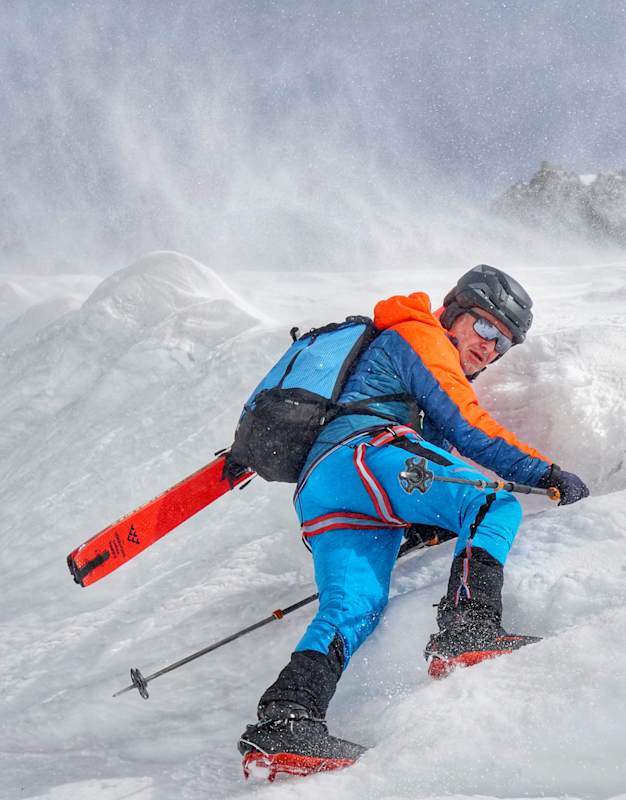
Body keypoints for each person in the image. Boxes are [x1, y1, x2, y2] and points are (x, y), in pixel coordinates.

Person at [237, 265, 589, 768]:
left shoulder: (418, 356)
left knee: (353, 606)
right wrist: (546, 472)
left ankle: (287, 719)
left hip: (327, 491)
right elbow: (470, 428)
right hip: (363, 454)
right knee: (492, 502)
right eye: (484, 326)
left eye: (503, 343)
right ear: (454, 312)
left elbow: (435, 454)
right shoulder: (419, 335)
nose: (490, 346)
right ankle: (468, 628)